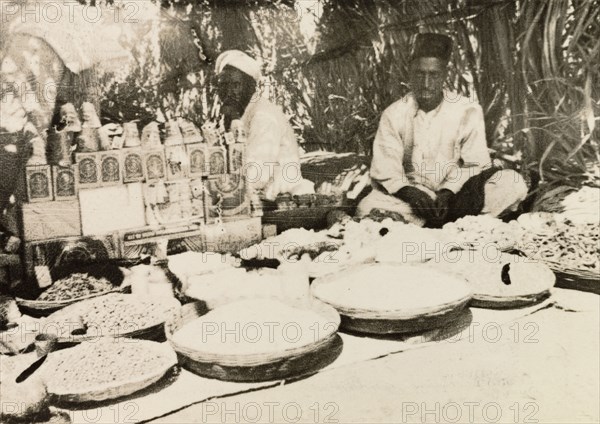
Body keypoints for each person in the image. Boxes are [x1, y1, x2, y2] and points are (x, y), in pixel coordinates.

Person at [356, 33, 528, 227]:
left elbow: (475, 164)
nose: (426, 83)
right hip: (413, 198)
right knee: (367, 207)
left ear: (445, 75)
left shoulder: (467, 110)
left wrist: (447, 192)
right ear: (410, 74)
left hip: (458, 196)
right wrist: (410, 192)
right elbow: (386, 168)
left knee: (512, 183)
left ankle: (440, 221)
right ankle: (459, 223)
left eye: (434, 75)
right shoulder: (394, 114)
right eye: (420, 74)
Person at [215, 50, 314, 200]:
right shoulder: (240, 113)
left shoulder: (263, 116)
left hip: (281, 200)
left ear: (251, 87)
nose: (229, 92)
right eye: (224, 85)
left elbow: (256, 176)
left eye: (236, 85)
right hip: (256, 198)